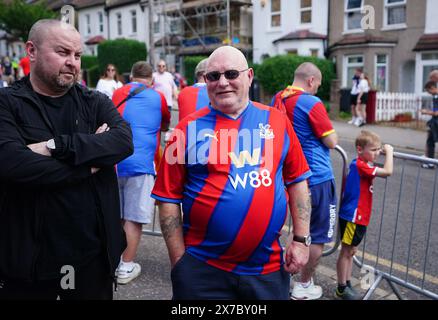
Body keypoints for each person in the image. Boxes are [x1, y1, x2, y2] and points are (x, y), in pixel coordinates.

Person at [151, 45, 312, 300]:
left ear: (248, 76)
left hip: (266, 269)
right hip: (203, 271)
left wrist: (301, 239)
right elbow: (167, 199)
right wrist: (179, 262)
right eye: (214, 76)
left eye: (231, 74)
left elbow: (297, 181)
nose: (222, 82)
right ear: (206, 82)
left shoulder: (277, 122)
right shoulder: (184, 130)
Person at [0, 19, 134, 300]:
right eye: (62, 53)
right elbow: (13, 164)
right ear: (31, 51)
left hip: (92, 259)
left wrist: (54, 146)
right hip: (30, 264)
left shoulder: (94, 101)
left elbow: (123, 142)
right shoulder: (7, 103)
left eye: (77, 55)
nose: (73, 62)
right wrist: (92, 162)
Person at [271, 62, 338, 300]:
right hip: (317, 176)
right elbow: (331, 141)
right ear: (311, 81)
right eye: (318, 85)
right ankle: (304, 284)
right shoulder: (311, 102)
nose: (317, 89)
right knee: (318, 235)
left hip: (289, 175)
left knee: (300, 229)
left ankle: (287, 276)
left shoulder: (278, 98)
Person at [112, 61, 170, 285]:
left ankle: (112, 260)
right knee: (134, 218)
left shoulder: (118, 92)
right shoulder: (158, 97)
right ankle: (125, 266)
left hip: (113, 163)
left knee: (116, 214)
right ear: (152, 80)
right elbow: (165, 123)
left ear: (131, 76)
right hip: (141, 164)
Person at [335, 130, 393, 300]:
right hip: (353, 216)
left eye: (378, 150)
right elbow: (388, 171)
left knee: (351, 251)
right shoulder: (361, 165)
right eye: (373, 150)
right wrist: (389, 152)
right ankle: (341, 287)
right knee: (346, 252)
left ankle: (346, 282)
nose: (377, 153)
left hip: (360, 216)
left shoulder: (363, 163)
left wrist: (377, 150)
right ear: (360, 150)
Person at [420, 81, 438, 169]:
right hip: (434, 122)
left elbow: (436, 113)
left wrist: (425, 112)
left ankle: (431, 163)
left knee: (430, 142)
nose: (428, 93)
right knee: (430, 141)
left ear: (432, 88)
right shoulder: (435, 96)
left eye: (428, 91)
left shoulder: (436, 97)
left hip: (436, 123)